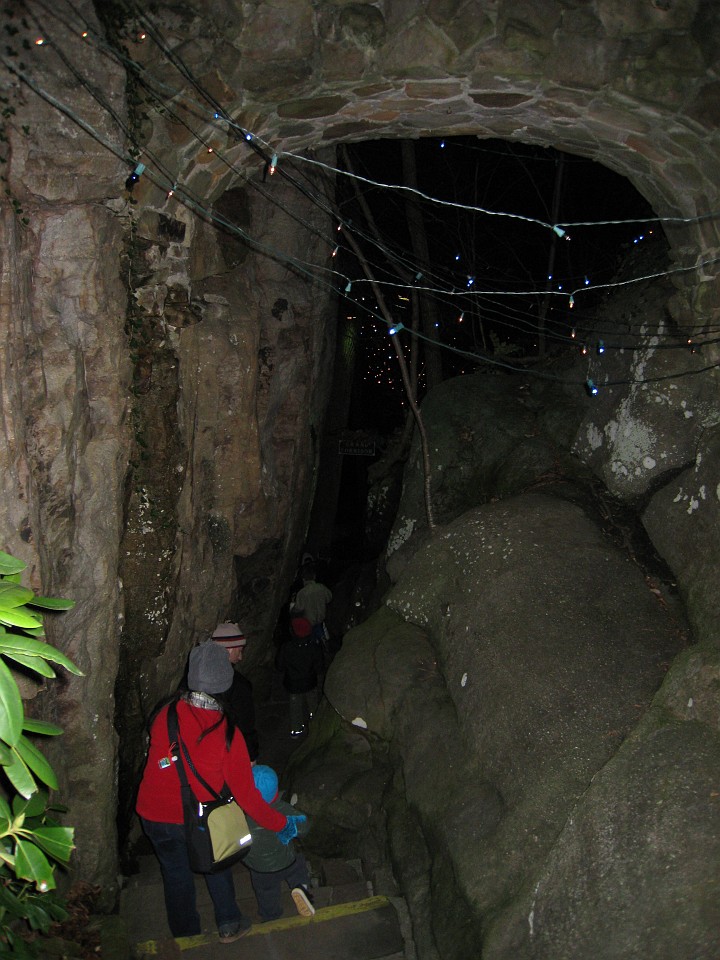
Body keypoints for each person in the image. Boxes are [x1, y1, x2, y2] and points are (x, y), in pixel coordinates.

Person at [136, 642, 305, 944]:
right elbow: (249, 797)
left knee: (175, 875)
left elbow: (160, 760)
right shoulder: (228, 733)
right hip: (198, 817)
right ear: (226, 680)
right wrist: (283, 824)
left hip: (154, 813)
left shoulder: (163, 713)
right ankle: (228, 923)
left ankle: (187, 937)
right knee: (218, 860)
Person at [243, 764, 315, 921]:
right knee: (299, 867)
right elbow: (304, 826)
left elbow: (238, 844)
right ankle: (301, 888)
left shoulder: (243, 818)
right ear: (276, 792)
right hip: (287, 861)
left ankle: (271, 916)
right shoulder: (283, 808)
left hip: (260, 869)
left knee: (265, 892)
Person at [211, 622, 260, 763]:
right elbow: (245, 726)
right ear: (230, 650)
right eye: (239, 651)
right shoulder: (238, 685)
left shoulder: (193, 676)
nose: (240, 658)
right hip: (228, 752)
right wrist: (251, 757)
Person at [275, 613, 324, 738]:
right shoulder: (314, 647)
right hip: (310, 682)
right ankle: (316, 724)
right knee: (313, 704)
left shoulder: (287, 647)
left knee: (295, 707)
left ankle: (296, 730)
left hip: (293, 684)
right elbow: (319, 666)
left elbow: (280, 666)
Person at [293, 563, 332, 650]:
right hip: (321, 620)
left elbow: (299, 608)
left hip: (309, 623)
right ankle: (325, 649)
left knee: (311, 644)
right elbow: (329, 598)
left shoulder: (302, 593)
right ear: (314, 577)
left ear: (303, 579)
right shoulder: (321, 588)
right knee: (323, 638)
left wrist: (293, 609)